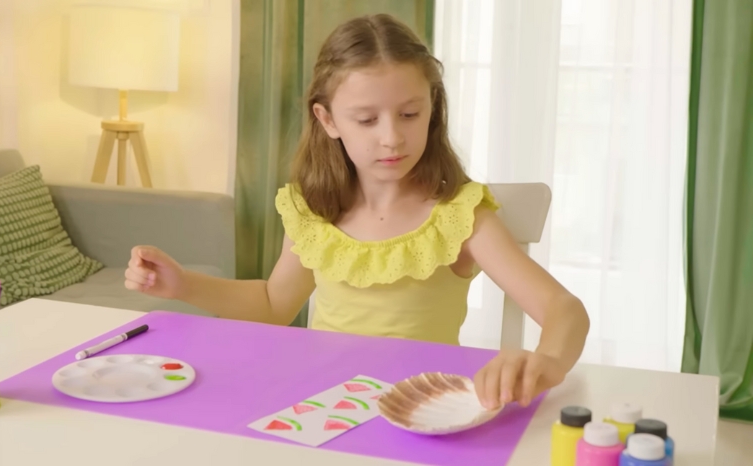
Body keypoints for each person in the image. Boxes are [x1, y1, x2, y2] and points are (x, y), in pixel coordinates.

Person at [124, 13, 589, 411]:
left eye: (409, 114)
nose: (391, 137)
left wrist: (546, 360)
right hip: (323, 405)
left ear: (433, 108)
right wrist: (182, 284)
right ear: (328, 120)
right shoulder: (315, 211)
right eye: (367, 119)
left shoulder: (459, 216)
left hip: (426, 409)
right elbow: (272, 305)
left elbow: (563, 308)